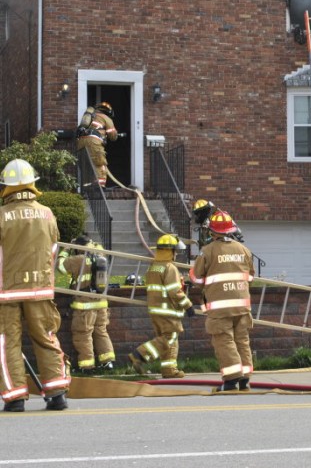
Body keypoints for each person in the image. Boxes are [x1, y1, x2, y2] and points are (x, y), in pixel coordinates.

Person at [0, 159, 70, 412]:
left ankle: (15, 397)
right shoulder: (47, 213)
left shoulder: (2, 216)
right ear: (31, 185)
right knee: (46, 337)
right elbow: (53, 249)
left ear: (6, 186)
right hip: (40, 287)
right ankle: (57, 392)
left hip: (6, 290)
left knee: (7, 342)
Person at [190, 211, 255, 392]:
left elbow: (196, 279)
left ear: (212, 231)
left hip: (220, 308)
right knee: (242, 340)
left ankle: (231, 380)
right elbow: (250, 277)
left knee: (224, 341)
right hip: (242, 306)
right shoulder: (244, 250)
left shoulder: (208, 251)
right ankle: (245, 380)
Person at [128, 234, 194, 379]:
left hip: (156, 309)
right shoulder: (169, 267)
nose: (176, 254)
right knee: (168, 338)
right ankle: (139, 354)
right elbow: (174, 291)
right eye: (175, 251)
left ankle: (169, 370)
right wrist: (188, 305)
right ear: (170, 251)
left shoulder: (154, 266)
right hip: (167, 310)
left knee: (169, 339)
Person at [57, 235, 115, 374]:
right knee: (101, 331)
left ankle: (86, 366)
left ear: (79, 247)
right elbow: (99, 247)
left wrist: (67, 249)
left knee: (83, 334)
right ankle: (107, 362)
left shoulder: (79, 259)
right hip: (101, 303)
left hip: (85, 305)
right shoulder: (100, 255)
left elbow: (60, 266)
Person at [76, 101, 118, 188]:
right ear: (108, 112)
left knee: (86, 164)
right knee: (100, 163)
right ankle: (100, 187)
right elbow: (113, 136)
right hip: (94, 142)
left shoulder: (90, 116)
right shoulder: (106, 118)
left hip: (81, 141)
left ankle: (87, 187)